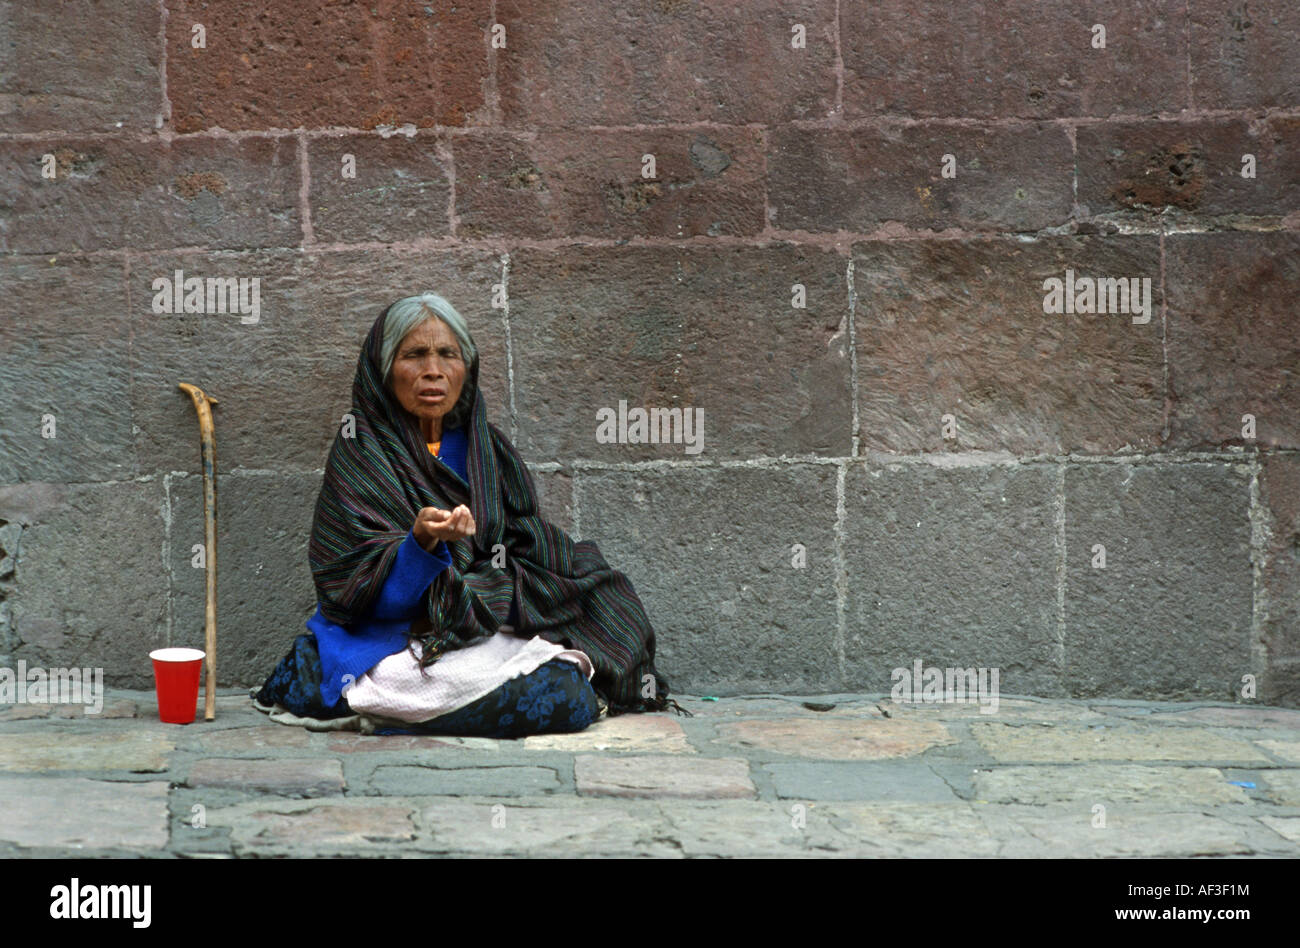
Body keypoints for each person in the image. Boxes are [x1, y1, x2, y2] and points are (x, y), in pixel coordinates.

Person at [252, 292, 684, 737]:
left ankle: (395, 714)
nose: (433, 370)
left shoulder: (485, 446)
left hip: (476, 623)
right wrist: (421, 544)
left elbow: (522, 542)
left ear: (467, 367)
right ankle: (381, 709)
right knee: (566, 703)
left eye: (447, 355)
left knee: (596, 614)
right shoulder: (360, 450)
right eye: (414, 355)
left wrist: (501, 586)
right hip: (397, 638)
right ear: (383, 369)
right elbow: (364, 595)